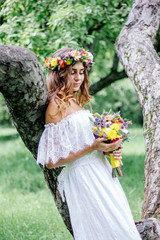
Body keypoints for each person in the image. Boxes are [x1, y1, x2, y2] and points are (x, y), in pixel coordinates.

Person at [36, 47, 142, 240]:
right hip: (83, 177)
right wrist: (93, 147)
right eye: (72, 72)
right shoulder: (55, 105)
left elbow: (86, 142)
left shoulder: (77, 103)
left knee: (120, 225)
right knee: (100, 228)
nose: (78, 78)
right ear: (60, 74)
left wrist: (109, 149)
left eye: (82, 72)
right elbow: (51, 161)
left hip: (101, 171)